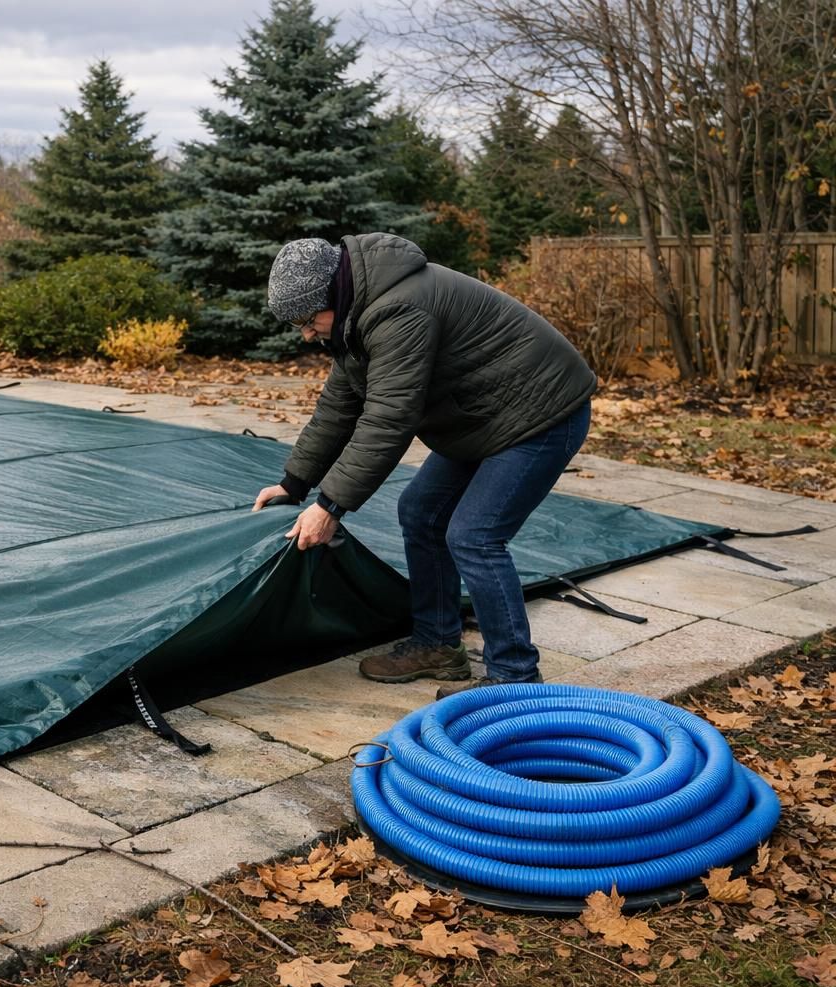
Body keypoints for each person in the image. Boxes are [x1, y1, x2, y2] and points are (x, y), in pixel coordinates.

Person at [251, 234, 596, 697]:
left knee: (474, 535)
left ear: (333, 294)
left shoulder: (399, 310)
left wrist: (329, 505)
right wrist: (293, 483)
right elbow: (340, 404)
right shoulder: (357, 314)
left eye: (310, 321)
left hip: (541, 413)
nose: (307, 334)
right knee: (421, 511)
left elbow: (389, 418)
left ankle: (514, 678)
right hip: (483, 416)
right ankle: (438, 646)